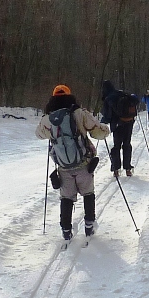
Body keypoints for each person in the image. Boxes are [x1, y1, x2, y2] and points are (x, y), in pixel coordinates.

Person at [36, 84, 110, 241]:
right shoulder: (79, 113)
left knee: (66, 198)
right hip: (84, 164)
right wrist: (105, 130)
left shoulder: (47, 119)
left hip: (63, 166)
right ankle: (89, 225)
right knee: (88, 193)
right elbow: (97, 131)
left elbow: (39, 134)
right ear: (70, 96)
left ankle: (66, 229)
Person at [101, 80, 139, 177]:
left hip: (117, 125)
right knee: (127, 144)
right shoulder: (122, 94)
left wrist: (102, 123)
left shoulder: (108, 98)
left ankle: (116, 169)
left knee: (116, 146)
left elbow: (107, 116)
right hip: (128, 122)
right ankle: (128, 169)